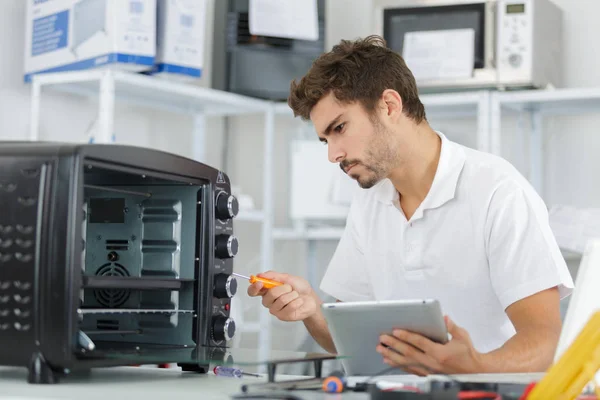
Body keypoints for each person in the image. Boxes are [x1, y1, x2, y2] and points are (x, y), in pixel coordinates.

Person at [248, 35, 574, 376]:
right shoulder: (369, 202)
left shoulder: (498, 191)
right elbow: (347, 340)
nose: (334, 155)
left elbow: (545, 344)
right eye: (326, 140)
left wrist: (475, 366)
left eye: (340, 128)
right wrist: (312, 309)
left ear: (389, 106)